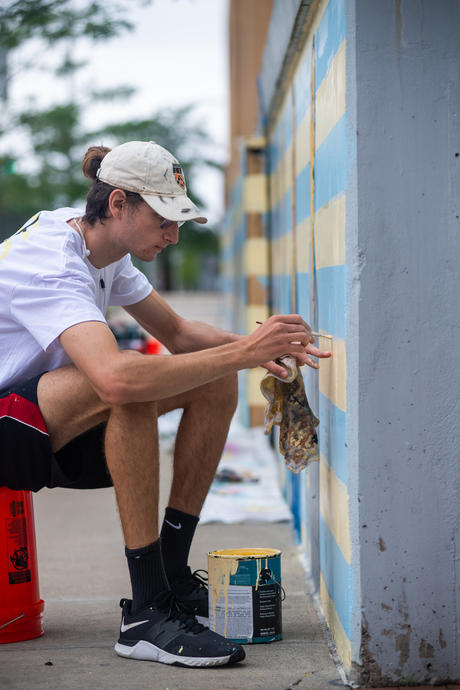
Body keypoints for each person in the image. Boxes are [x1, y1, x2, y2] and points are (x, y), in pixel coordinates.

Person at [0, 140, 331, 668]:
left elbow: (176, 332)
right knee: (128, 384)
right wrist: (244, 350)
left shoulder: (104, 247)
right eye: (163, 221)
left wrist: (259, 351)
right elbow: (113, 379)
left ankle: (171, 579)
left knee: (213, 379)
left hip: (43, 419)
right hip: (8, 426)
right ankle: (146, 614)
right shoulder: (50, 262)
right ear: (117, 204)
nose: (173, 236)